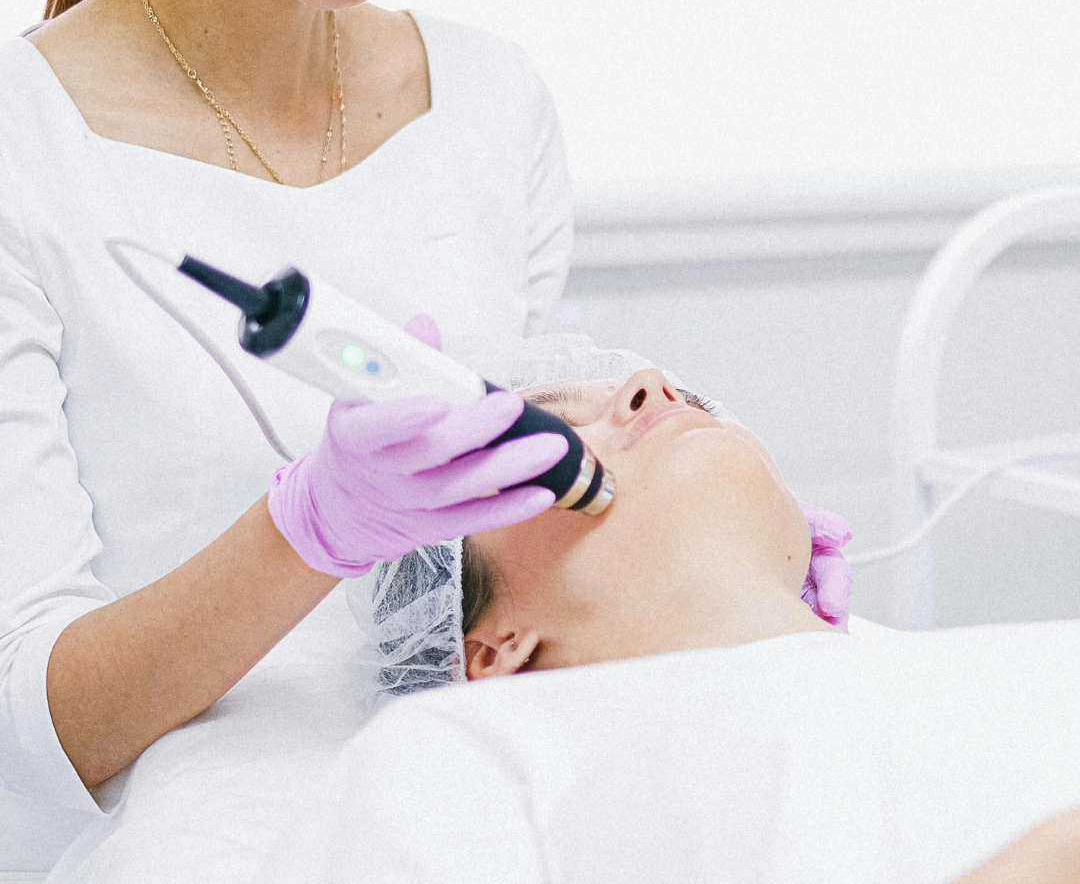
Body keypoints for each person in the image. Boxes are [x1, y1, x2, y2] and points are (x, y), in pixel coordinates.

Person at [0, 0, 577, 872]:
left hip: (473, 806)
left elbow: (517, 558)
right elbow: (35, 733)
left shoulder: (489, 104)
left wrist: (722, 558)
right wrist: (303, 532)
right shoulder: (29, 151)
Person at [252, 358, 1080, 884]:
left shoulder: (1043, 661)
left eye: (691, 397)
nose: (652, 385)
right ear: (494, 646)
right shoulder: (463, 760)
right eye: (548, 432)